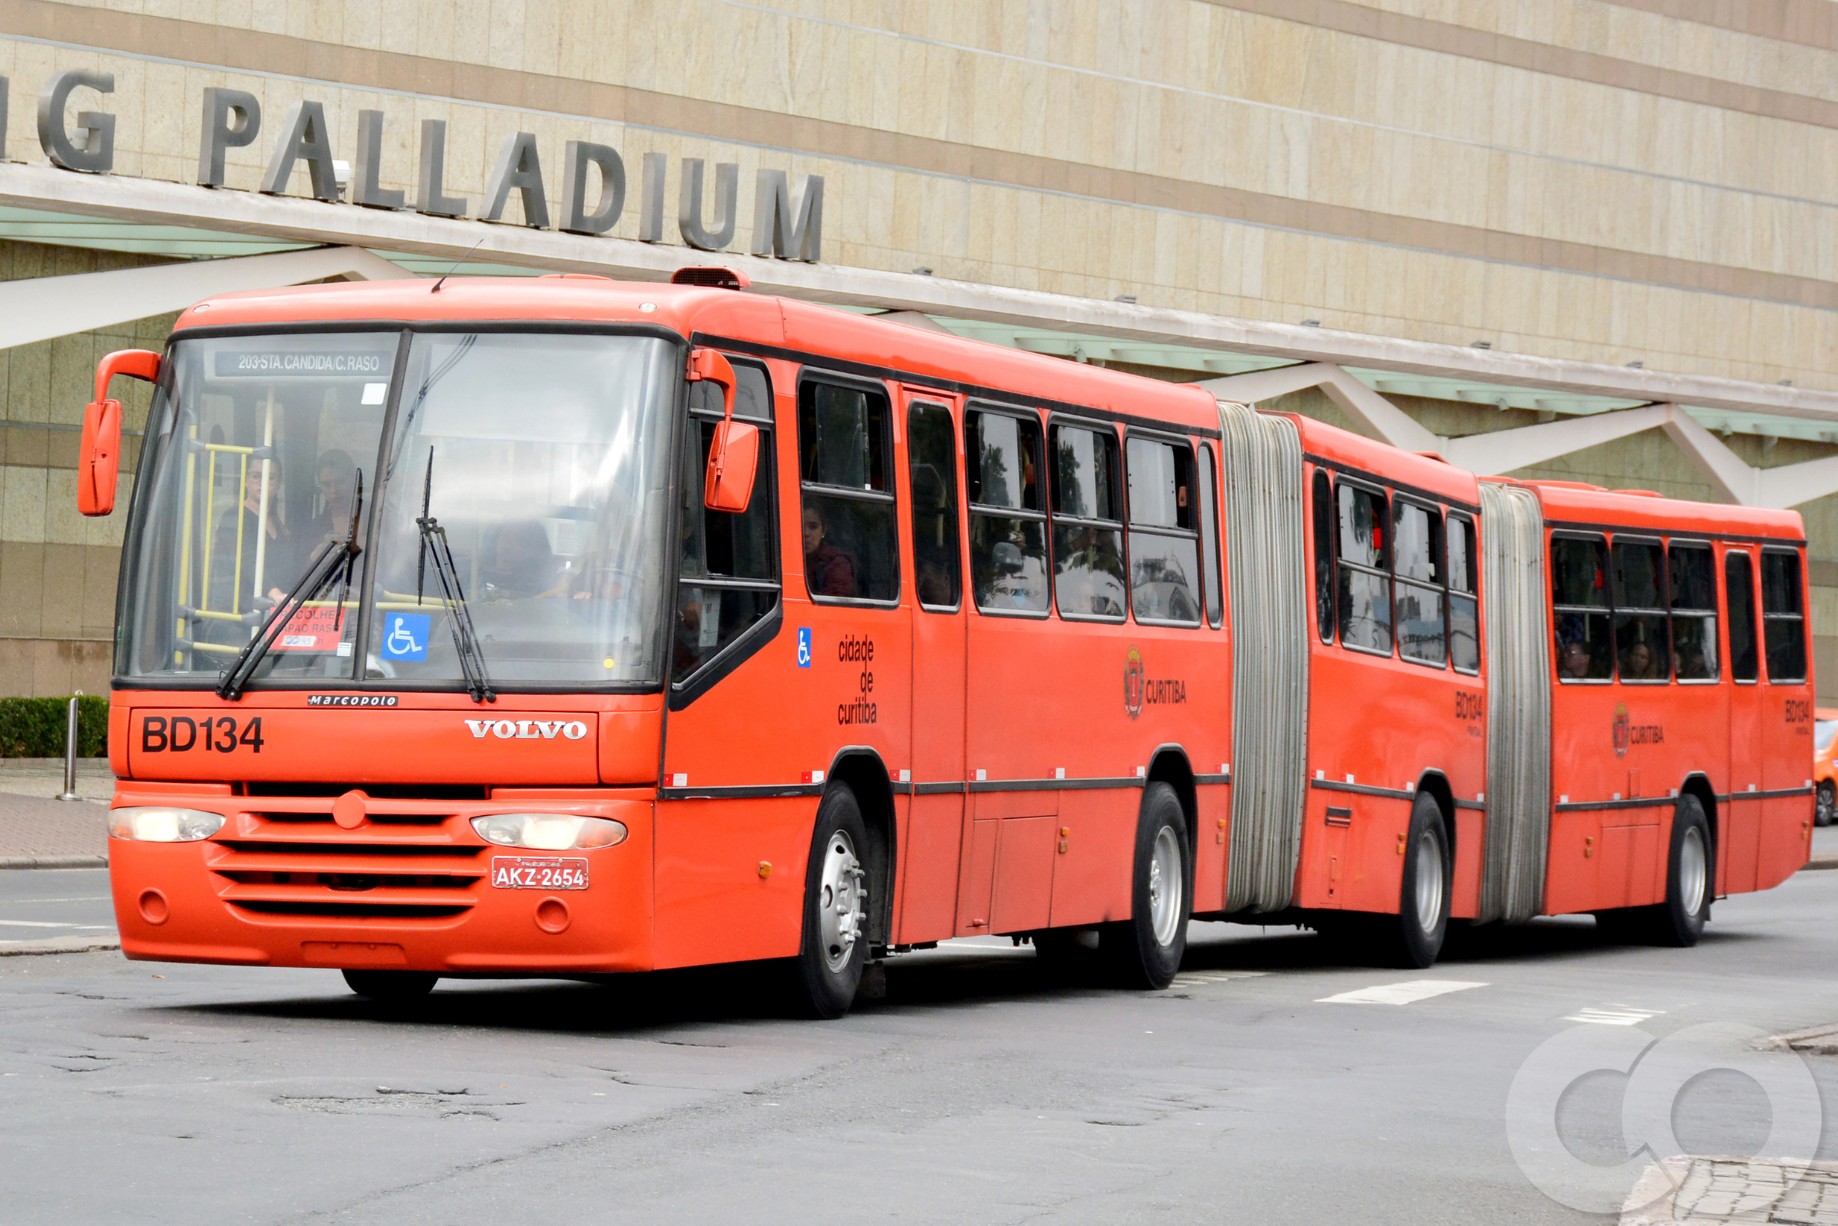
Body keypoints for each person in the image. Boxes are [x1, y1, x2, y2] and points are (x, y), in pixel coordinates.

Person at [211, 462, 300, 611]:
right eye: (255, 476)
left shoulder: (277, 523)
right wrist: (275, 593)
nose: (262, 482)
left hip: (273, 612)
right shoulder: (233, 517)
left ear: (279, 484)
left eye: (270, 477)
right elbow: (247, 560)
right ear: (245, 480)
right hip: (238, 614)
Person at [802, 504, 857, 597]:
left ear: (823, 531)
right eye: (799, 525)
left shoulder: (837, 562)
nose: (806, 533)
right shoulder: (784, 560)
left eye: (813, 527)